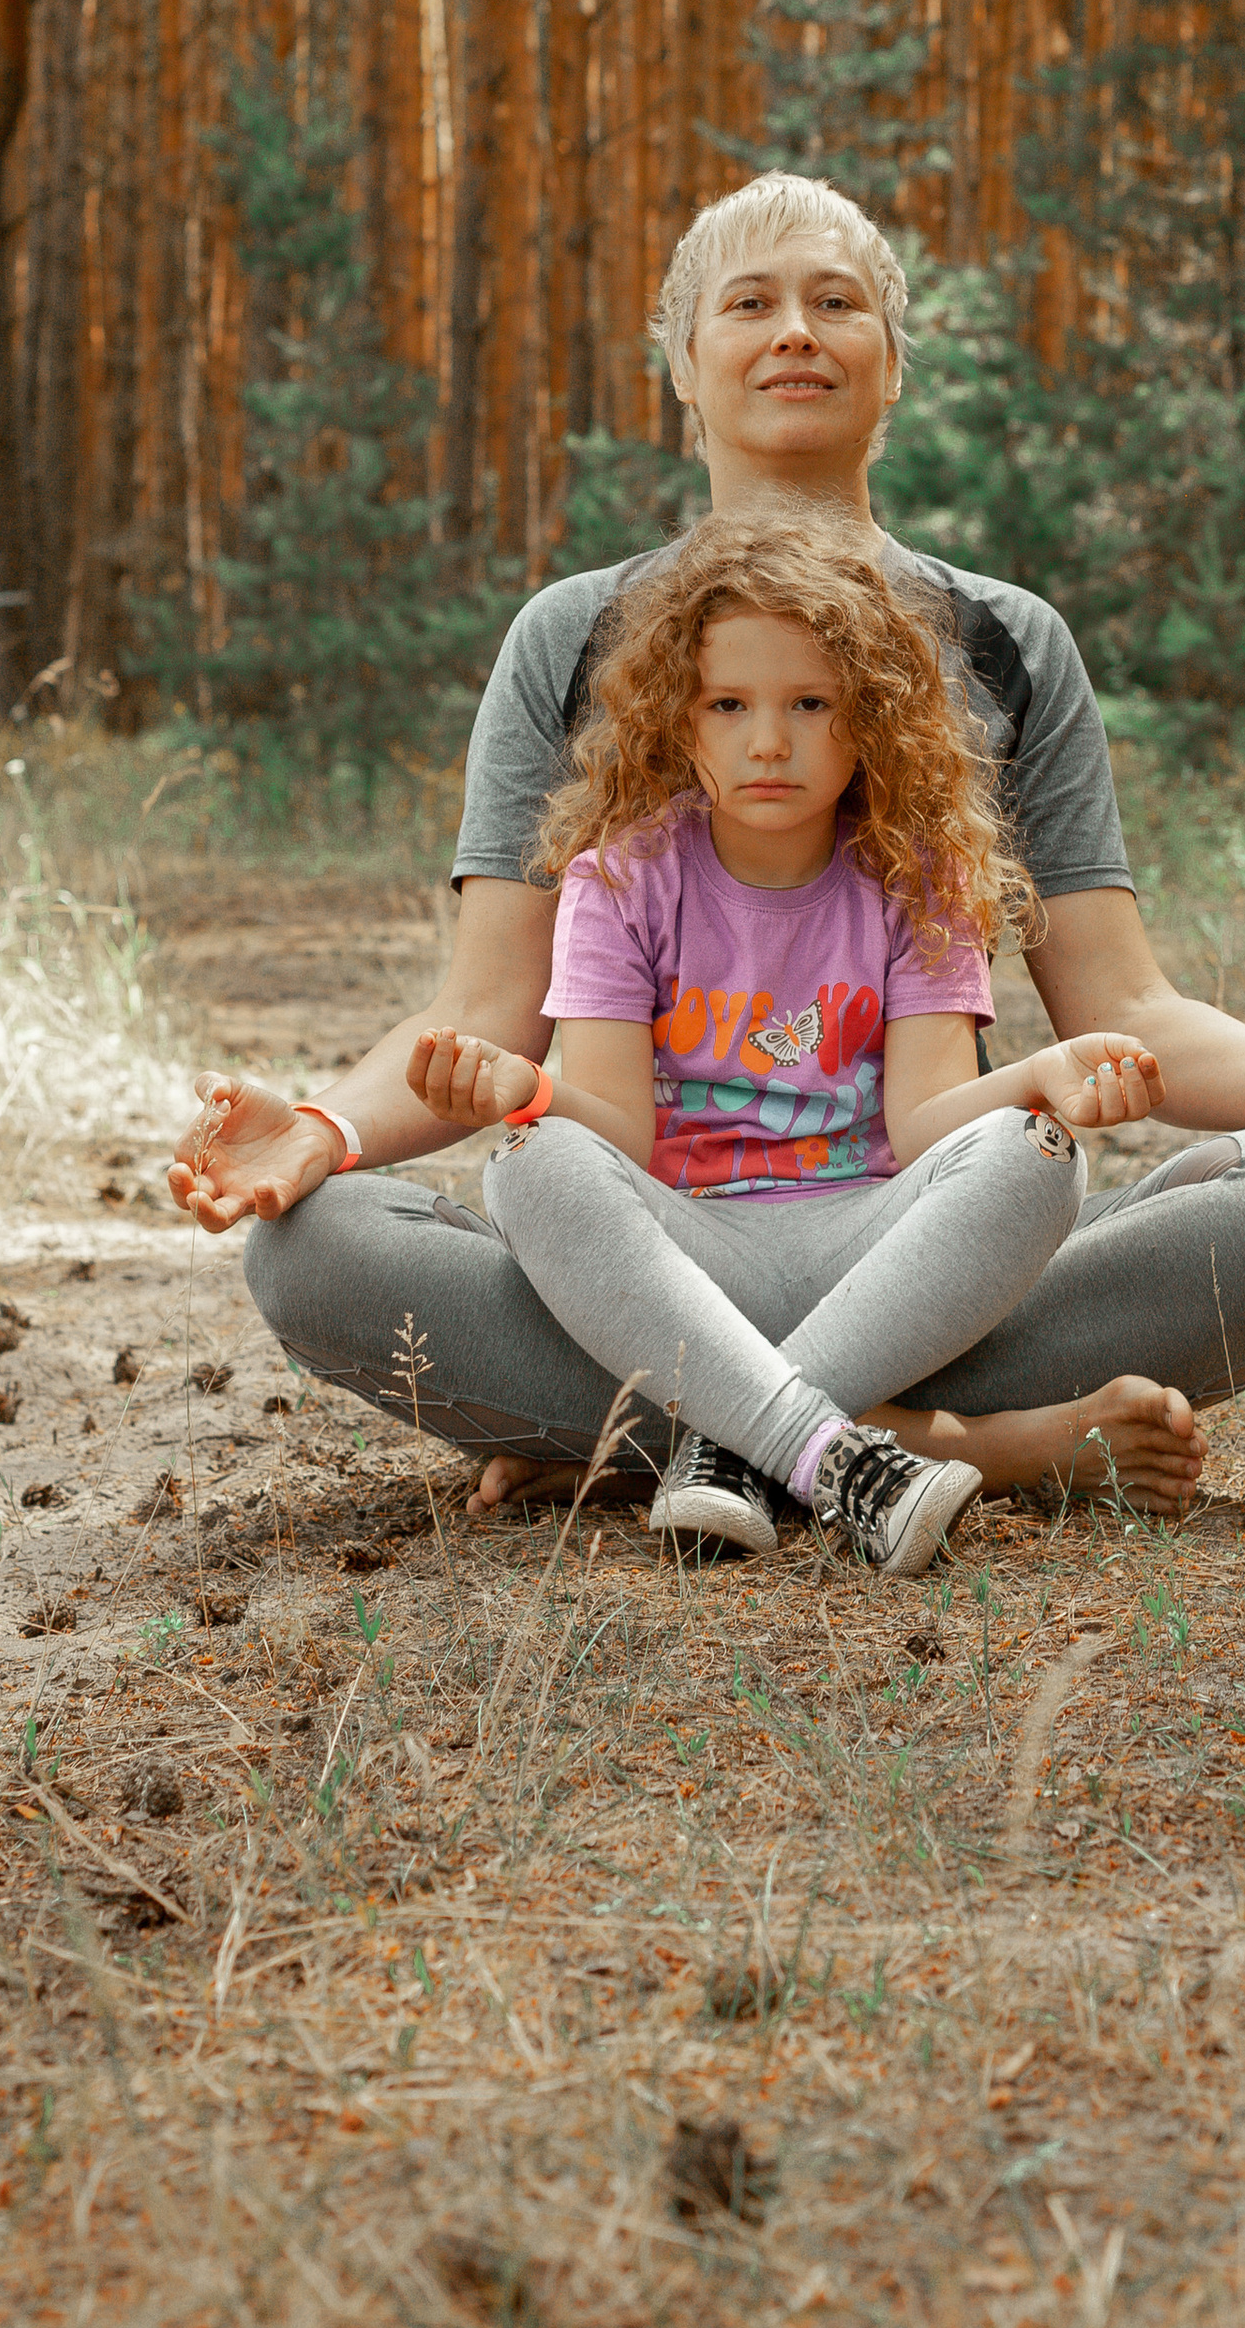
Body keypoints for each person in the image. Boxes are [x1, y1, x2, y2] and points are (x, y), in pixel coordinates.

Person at [173, 171, 1245, 1519]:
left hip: (913, 1246)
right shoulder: (570, 637)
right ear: (683, 364)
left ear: (891, 365)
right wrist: (325, 1128)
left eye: (836, 303)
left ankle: (695, 1433)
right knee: (314, 1247)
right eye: (750, 303)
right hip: (655, 1250)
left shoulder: (1007, 642)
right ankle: (944, 1442)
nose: (795, 329)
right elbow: (485, 1011)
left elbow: (1128, 1011)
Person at [419, 506, 1168, 1574]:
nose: (767, 741)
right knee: (531, 1162)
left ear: (873, 720)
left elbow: (924, 1125)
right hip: (685, 1258)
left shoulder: (921, 877)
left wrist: (1046, 1074)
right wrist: (518, 1088)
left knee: (1036, 1153)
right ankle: (840, 1458)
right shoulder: (619, 880)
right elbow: (618, 1133)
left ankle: (725, 1448)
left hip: (870, 1260)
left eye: (811, 704)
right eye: (728, 704)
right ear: (677, 720)